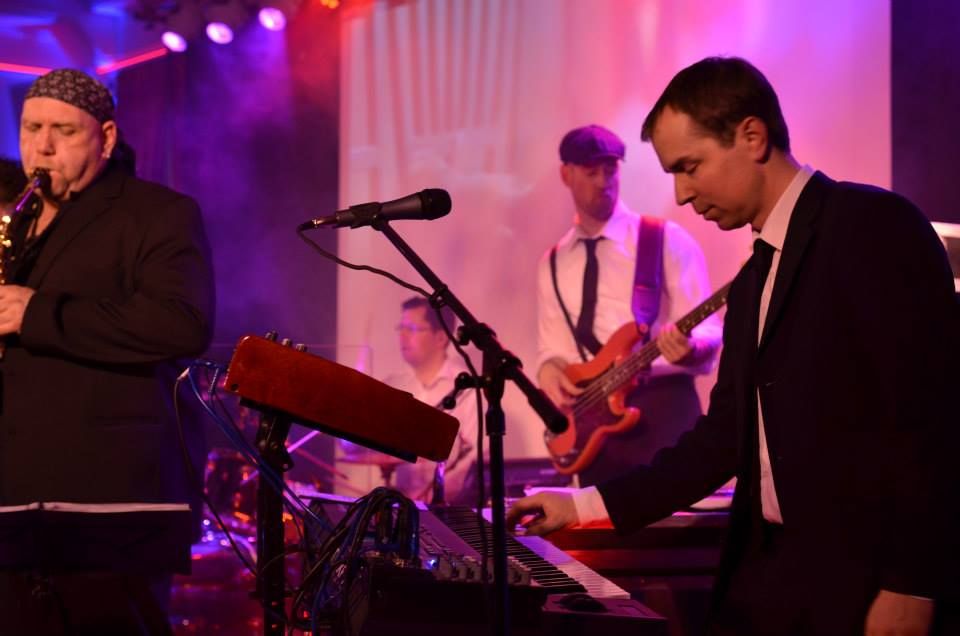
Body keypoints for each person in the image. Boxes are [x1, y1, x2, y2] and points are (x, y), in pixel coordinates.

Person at [509, 57, 959, 635]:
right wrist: (581, 505)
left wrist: (912, 584)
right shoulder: (751, 280)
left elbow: (932, 420)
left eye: (690, 166)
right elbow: (721, 439)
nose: (681, 193)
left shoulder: (873, 223)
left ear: (752, 136)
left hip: (864, 579)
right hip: (775, 580)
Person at [0, 69, 215, 634]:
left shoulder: (157, 212)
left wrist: (36, 313)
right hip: (15, 501)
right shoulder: (15, 222)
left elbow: (183, 324)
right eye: (31, 129)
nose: (42, 147)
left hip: (112, 505)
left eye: (64, 131)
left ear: (107, 138)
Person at [537, 124, 722, 485]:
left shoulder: (665, 238)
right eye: (591, 172)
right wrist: (550, 371)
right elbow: (552, 348)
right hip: (596, 425)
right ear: (566, 174)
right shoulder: (553, 262)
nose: (603, 182)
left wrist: (691, 349)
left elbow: (709, 328)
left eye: (610, 170)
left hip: (664, 408)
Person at [385, 296, 478, 504]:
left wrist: (432, 496)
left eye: (412, 329)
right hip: (400, 505)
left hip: (448, 508)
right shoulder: (395, 385)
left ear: (440, 338)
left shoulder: (467, 389)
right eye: (401, 328)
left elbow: (473, 459)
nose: (402, 336)